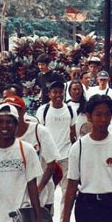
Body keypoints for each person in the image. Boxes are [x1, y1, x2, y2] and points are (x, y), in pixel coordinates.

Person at [9, 96, 61, 222]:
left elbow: (51, 163)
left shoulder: (39, 131)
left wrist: (38, 189)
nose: (11, 115)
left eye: (16, 110)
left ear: (23, 112)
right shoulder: (4, 132)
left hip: (41, 192)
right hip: (16, 194)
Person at [37, 79, 76, 214]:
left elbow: (73, 132)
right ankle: (47, 220)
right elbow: (39, 133)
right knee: (47, 191)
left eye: (61, 92)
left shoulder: (70, 110)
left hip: (66, 155)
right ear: (49, 94)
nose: (58, 95)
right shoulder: (43, 110)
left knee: (67, 192)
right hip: (48, 159)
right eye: (55, 92)